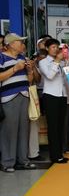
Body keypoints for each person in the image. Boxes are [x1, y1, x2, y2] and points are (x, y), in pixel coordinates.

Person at [0, 34, 37, 172]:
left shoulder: (22, 58)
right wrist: (15, 68)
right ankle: (7, 162)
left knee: (23, 129)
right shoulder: (1, 57)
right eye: (20, 42)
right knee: (9, 130)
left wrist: (29, 70)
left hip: (24, 95)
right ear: (11, 44)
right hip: (9, 97)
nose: (23, 44)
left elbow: (30, 80)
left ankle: (23, 160)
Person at [38, 39, 69, 164]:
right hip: (50, 96)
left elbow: (65, 78)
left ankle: (60, 153)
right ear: (46, 48)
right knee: (53, 126)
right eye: (53, 47)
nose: (56, 49)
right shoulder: (43, 62)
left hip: (62, 95)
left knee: (61, 125)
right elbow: (50, 76)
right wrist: (57, 61)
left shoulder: (61, 62)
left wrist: (66, 63)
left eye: (57, 47)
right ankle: (54, 156)